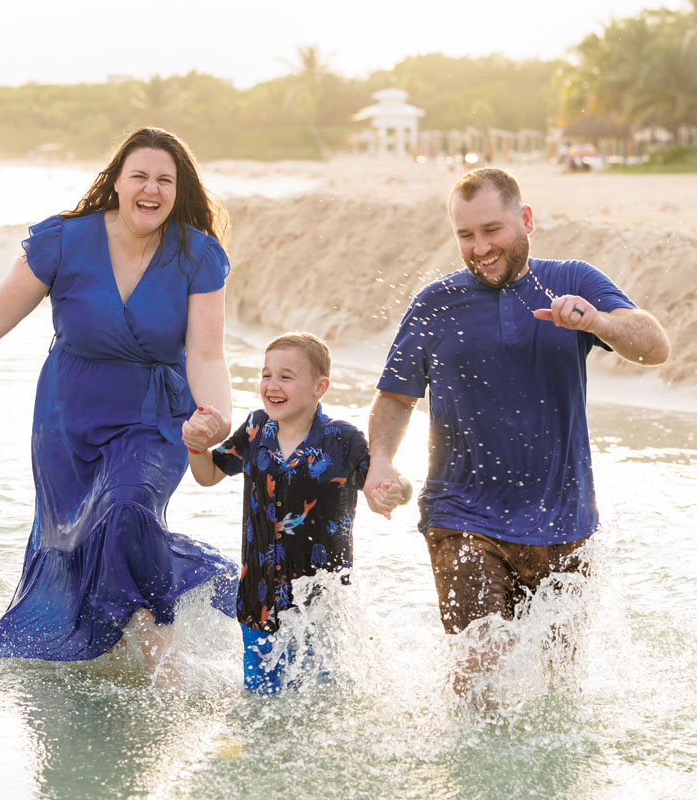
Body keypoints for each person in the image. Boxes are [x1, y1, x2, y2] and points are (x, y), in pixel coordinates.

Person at [0, 127, 237, 675]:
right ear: (115, 182)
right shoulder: (64, 240)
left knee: (128, 508)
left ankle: (163, 645)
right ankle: (125, 634)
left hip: (154, 414)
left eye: (165, 179)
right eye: (139, 175)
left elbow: (207, 355)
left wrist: (216, 418)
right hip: (68, 416)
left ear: (177, 189)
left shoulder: (197, 254)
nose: (151, 189)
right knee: (74, 539)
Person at [364, 167, 670, 697]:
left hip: (565, 521)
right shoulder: (436, 304)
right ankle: (472, 776)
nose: (479, 247)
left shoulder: (573, 281)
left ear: (525, 219)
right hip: (462, 515)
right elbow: (395, 398)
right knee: (479, 678)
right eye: (466, 235)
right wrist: (382, 461)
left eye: (492, 230)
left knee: (558, 691)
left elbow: (653, 345)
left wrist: (596, 322)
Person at [186, 332, 404, 692]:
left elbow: (385, 483)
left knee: (318, 706)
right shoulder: (256, 427)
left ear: (321, 387)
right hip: (258, 600)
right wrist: (196, 446)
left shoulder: (343, 439)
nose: (272, 384)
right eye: (266, 374)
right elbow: (209, 474)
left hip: (318, 606)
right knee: (260, 703)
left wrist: (395, 492)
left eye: (286, 377)